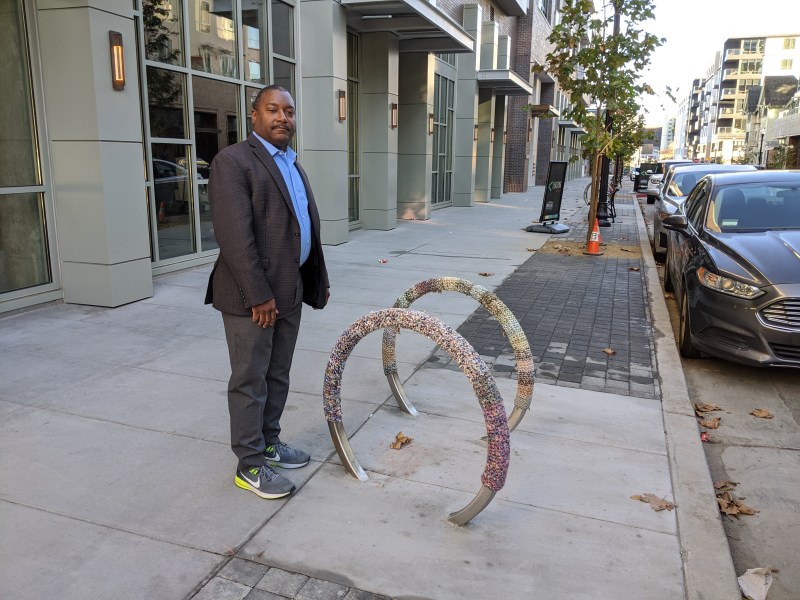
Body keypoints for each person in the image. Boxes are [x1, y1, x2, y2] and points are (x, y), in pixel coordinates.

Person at [205, 85, 330, 499]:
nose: (283, 118)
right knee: (249, 379)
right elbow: (235, 237)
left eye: (289, 111)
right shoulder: (233, 162)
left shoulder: (292, 163)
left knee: (277, 374)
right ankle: (250, 464)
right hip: (252, 298)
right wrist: (258, 294)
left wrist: (313, 281)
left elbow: (300, 225)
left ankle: (270, 442)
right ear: (254, 115)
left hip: (289, 289)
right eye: (273, 110)